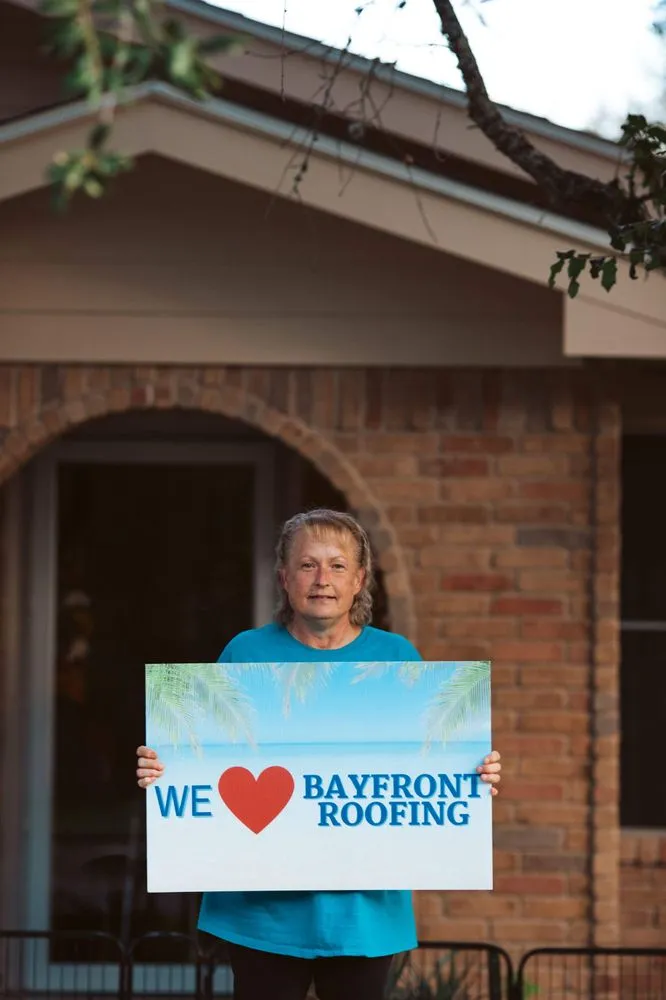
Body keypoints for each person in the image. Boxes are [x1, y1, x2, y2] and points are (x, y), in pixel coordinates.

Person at [136, 508, 502, 1000]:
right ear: (284, 578)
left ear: (359, 580)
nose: (322, 579)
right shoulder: (245, 655)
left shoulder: (396, 659)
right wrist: (163, 766)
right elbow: (199, 755)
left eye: (337, 565)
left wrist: (472, 772)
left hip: (364, 913)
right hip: (260, 914)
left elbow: (429, 765)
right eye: (307, 565)